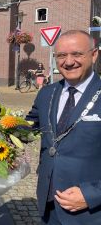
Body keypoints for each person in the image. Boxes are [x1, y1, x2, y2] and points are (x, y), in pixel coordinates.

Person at [26, 30, 101, 224]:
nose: (68, 62)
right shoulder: (47, 94)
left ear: (94, 55)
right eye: (61, 55)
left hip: (91, 214)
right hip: (49, 206)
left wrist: (92, 195)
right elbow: (29, 126)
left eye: (77, 54)